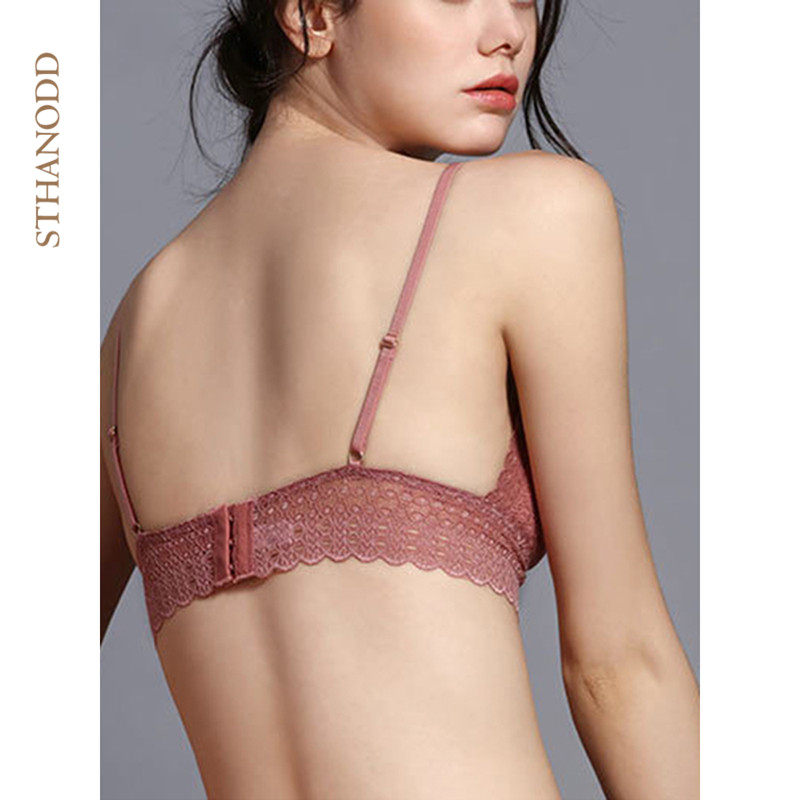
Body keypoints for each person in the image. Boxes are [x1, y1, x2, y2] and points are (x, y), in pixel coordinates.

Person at [100, 1, 699, 797]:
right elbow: (620, 667)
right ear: (312, 14)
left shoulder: (134, 328)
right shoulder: (529, 215)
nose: (508, 32)